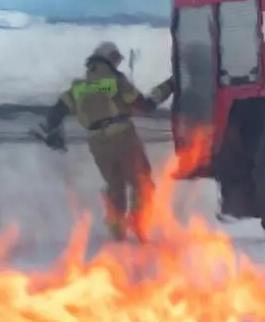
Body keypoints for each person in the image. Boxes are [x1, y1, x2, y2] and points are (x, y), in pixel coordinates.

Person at [32, 41, 175, 241]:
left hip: (97, 143)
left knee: (115, 185)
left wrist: (52, 130)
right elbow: (145, 105)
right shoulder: (115, 81)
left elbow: (56, 112)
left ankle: (117, 231)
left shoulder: (78, 88)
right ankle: (138, 221)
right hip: (122, 136)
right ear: (111, 60)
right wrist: (169, 85)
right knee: (141, 181)